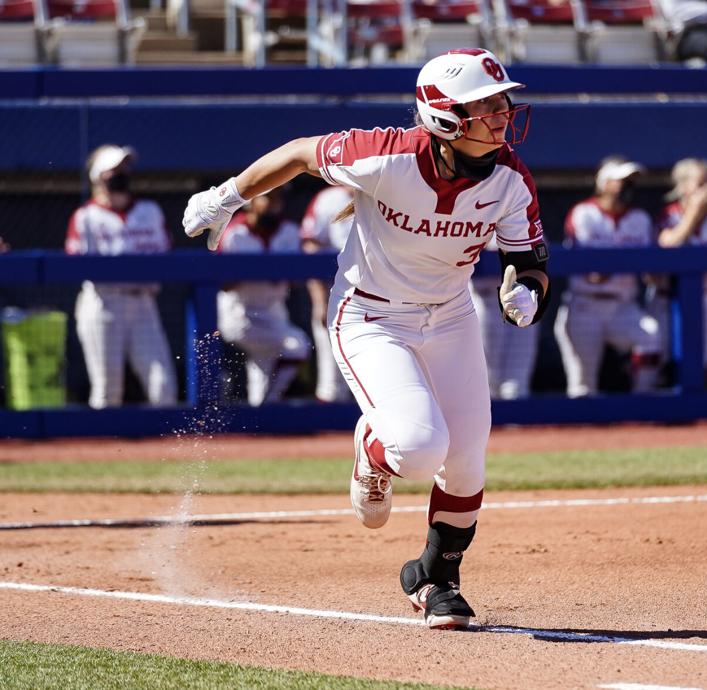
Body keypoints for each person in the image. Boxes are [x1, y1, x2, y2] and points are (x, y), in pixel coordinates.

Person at [182, 48, 549, 630]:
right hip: (372, 317)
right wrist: (228, 196)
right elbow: (300, 153)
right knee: (419, 447)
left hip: (451, 316)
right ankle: (373, 448)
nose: (503, 113)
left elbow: (529, 261)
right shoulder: (389, 153)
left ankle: (435, 579)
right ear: (446, 117)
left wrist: (526, 291)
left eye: (503, 101)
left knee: (467, 460)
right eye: (485, 105)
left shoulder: (510, 178)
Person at [66, 145, 177, 409]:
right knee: (108, 390)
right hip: (105, 303)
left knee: (163, 386)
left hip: (143, 302)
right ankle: (99, 438)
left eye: (125, 167)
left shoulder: (150, 211)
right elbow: (74, 264)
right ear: (98, 176)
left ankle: (166, 439)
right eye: (114, 169)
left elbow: (167, 252)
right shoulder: (86, 217)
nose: (122, 173)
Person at [554, 157, 661, 397]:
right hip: (585, 305)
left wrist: (623, 263)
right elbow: (593, 273)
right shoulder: (584, 213)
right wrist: (627, 261)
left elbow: (650, 271)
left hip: (623, 306)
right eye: (620, 181)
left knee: (651, 335)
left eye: (630, 181)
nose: (626, 187)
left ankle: (642, 403)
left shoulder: (639, 219)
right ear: (603, 183)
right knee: (583, 385)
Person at [216, 188, 312, 406]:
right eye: (268, 197)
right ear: (251, 202)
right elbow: (222, 283)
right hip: (240, 312)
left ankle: (261, 411)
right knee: (296, 346)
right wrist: (251, 271)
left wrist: (276, 270)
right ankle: (266, 405)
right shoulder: (234, 233)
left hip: (273, 310)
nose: (274, 203)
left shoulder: (289, 231)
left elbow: (298, 280)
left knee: (265, 365)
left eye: (278, 198)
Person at [649, 158, 707, 376]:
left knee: (700, 367)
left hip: (703, 297)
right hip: (666, 299)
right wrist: (693, 215)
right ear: (683, 188)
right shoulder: (670, 215)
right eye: (701, 184)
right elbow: (667, 245)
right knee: (661, 368)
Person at [301, 185, 355, 403]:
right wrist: (320, 300)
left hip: (381, 293)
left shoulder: (391, 187)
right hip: (338, 292)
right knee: (332, 381)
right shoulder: (329, 198)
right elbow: (311, 246)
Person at [470, 237, 539, 399]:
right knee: (488, 380)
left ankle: (516, 414)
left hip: (521, 301)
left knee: (517, 382)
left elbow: (540, 253)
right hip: (487, 301)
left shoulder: (526, 221)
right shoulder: (474, 222)